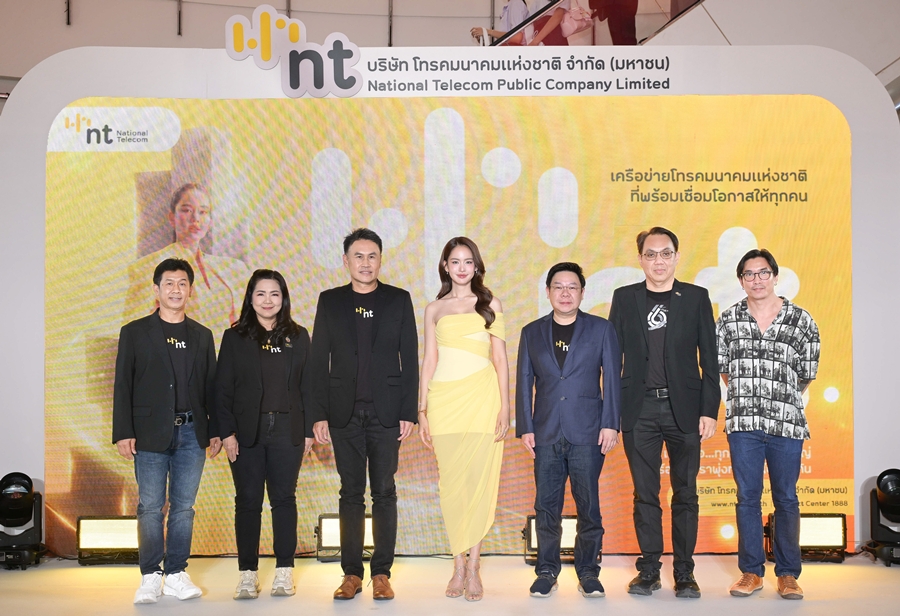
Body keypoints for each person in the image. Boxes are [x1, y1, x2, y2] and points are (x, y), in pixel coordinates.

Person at [608, 227, 719, 598]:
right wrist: (611, 412)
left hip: (684, 409)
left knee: (686, 494)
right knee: (645, 495)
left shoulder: (696, 297)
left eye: (666, 253)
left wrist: (709, 409)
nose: (659, 260)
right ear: (640, 258)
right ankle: (649, 571)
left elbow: (710, 359)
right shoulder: (624, 298)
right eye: (651, 254)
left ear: (676, 256)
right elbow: (612, 357)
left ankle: (685, 573)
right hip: (638, 410)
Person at [308, 228, 418, 601]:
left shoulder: (398, 300)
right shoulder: (330, 301)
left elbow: (410, 359)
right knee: (350, 493)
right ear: (346, 261)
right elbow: (318, 360)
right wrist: (319, 414)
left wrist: (408, 411)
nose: (365, 263)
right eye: (358, 256)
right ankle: (352, 574)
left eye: (372, 256)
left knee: (385, 491)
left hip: (387, 414)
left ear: (380, 260)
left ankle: (382, 574)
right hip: (344, 413)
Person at [112, 257, 222, 604]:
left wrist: (215, 430)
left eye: (182, 284)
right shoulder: (134, 332)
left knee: (184, 507)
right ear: (157, 289)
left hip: (192, 432)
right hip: (149, 433)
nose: (176, 290)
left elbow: (211, 387)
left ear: (190, 290)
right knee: (150, 506)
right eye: (169, 284)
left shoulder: (202, 335)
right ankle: (150, 575)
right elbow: (123, 385)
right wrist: (123, 431)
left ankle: (176, 572)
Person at [716, 249, 820, 600]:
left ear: (775, 276)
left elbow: (806, 373)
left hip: (786, 423)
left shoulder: (801, 320)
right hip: (743, 423)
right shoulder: (728, 321)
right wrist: (751, 395)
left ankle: (788, 574)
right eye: (749, 274)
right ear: (741, 280)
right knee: (747, 497)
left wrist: (776, 396)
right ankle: (751, 572)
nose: (757, 280)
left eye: (763, 273)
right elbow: (724, 370)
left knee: (786, 498)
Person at [516, 262, 621, 598]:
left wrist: (610, 423)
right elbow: (524, 382)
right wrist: (525, 427)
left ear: (582, 292)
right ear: (548, 292)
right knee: (546, 506)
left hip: (588, 431)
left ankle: (588, 572)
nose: (565, 293)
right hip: (545, 431)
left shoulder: (601, 329)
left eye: (572, 287)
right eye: (558, 287)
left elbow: (612, 380)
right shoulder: (531, 332)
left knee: (588, 506)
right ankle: (546, 570)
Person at [418, 237, 509, 602]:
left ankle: (473, 567)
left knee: (478, 482)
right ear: (445, 265)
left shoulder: (491, 304)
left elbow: (500, 359)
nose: (461, 268)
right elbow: (429, 360)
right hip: (444, 403)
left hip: (483, 400)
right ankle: (457, 564)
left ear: (476, 266)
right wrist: (422, 410)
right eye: (454, 261)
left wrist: (506, 407)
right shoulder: (433, 309)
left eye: (468, 261)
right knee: (452, 485)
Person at [215, 269, 313, 600]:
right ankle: (248, 574)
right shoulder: (235, 337)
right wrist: (227, 432)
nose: (267, 300)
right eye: (261, 293)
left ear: (283, 298)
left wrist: (309, 431)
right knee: (247, 501)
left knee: (284, 499)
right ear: (250, 298)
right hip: (246, 433)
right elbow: (222, 390)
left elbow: (308, 387)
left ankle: (284, 570)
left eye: (274, 294)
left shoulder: (299, 336)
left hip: (288, 430)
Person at [124, 182, 250, 337]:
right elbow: (134, 332)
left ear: (210, 220)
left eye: (203, 212)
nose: (195, 218)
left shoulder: (230, 268)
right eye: (187, 210)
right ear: (172, 218)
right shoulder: (149, 266)